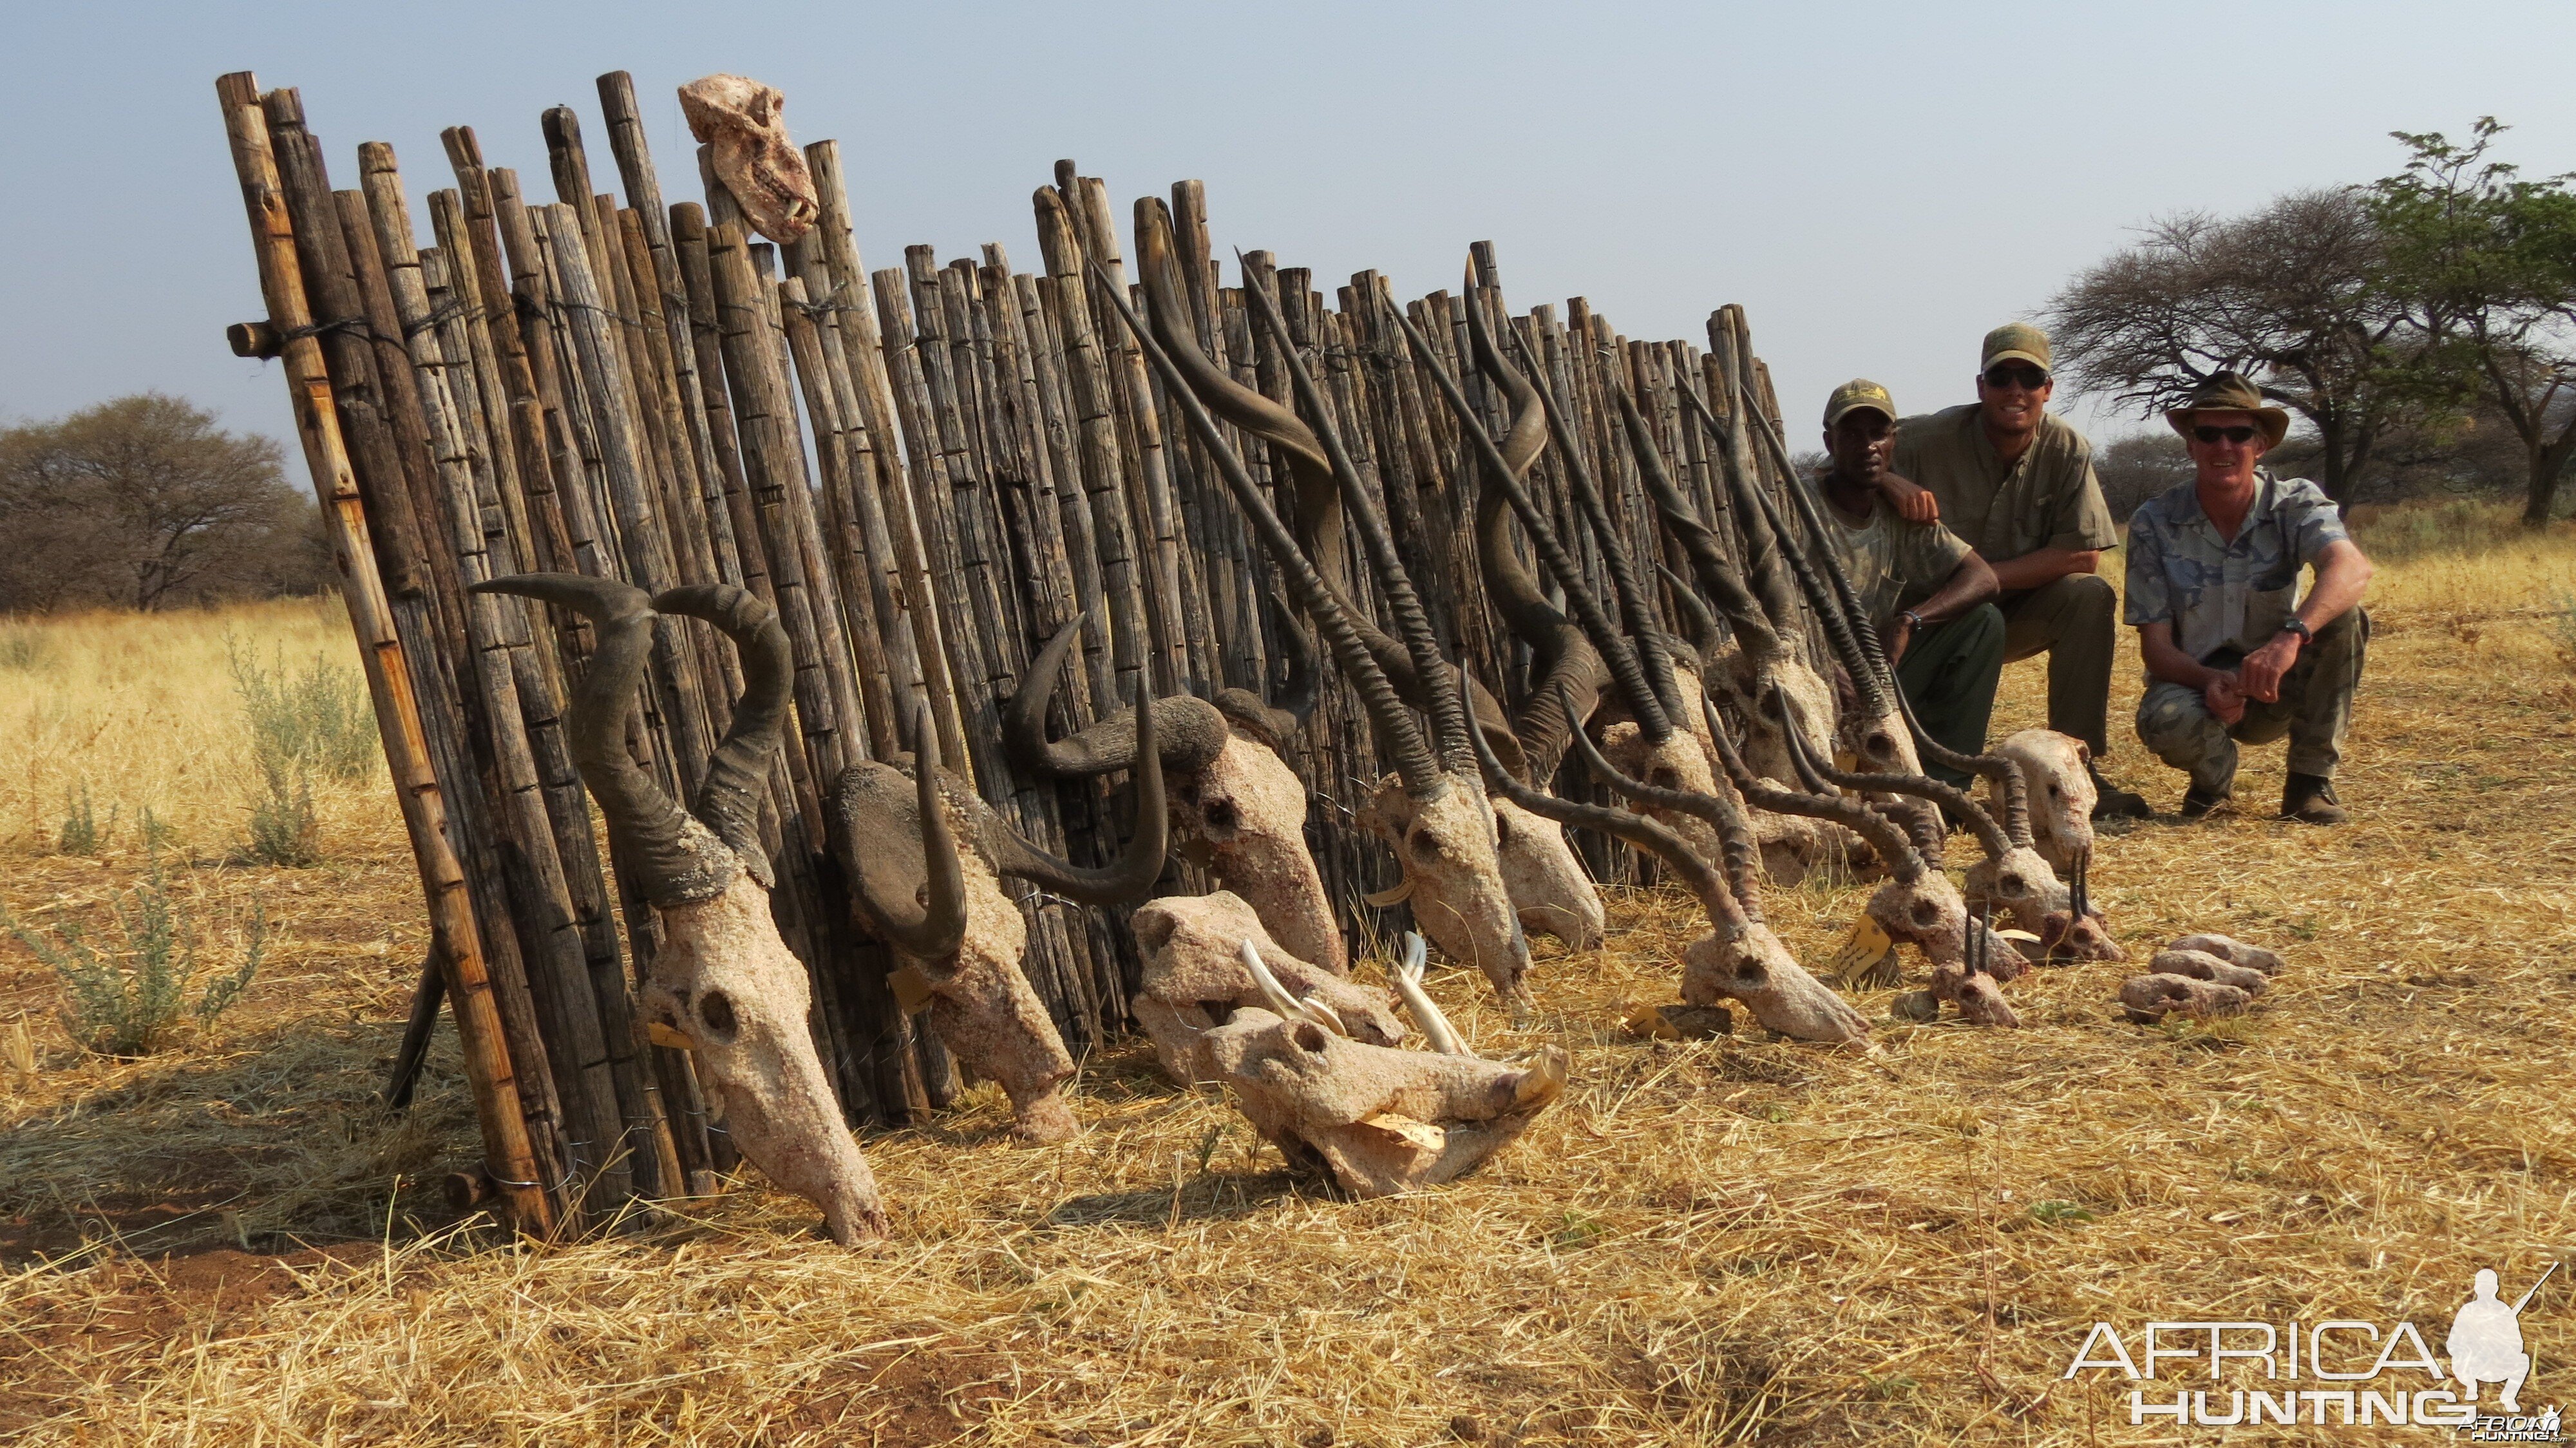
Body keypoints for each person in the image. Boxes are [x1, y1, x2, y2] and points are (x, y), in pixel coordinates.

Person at [1884, 323, 2148, 819]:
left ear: (2048, 389)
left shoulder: (2068, 449)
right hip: (1931, 622)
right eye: (2001, 377)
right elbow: (1841, 461)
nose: (2015, 391)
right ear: (1981, 386)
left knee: (2089, 594)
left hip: (2015, 613)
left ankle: (2077, 768)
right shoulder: (1924, 439)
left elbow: (2082, 554)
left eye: (2029, 378)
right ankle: (1941, 773)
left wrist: (1982, 582)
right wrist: (1889, 479)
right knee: (1975, 625)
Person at [2123, 372, 2372, 824]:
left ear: (2260, 445)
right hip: (2200, 686)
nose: (2224, 447)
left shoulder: (2294, 503)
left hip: (2278, 681)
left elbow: (2352, 568)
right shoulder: (2154, 521)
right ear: (2190, 445)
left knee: (2344, 616)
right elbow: (2156, 649)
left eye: (2239, 434)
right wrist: (2207, 682)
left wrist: (2288, 641)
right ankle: (2212, 784)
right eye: (2208, 434)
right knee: (2163, 720)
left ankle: (2309, 785)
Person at [1815, 380, 2001, 786]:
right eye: (1852, 434)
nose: (1868, 446)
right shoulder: (1796, 506)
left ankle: (1946, 787)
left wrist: (1910, 621)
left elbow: (1983, 578)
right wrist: (1823, 669)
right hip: (1811, 678)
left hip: (1879, 675)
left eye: (1878, 434)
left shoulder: (1899, 514)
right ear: (1830, 442)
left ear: (1893, 441)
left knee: (1983, 622)